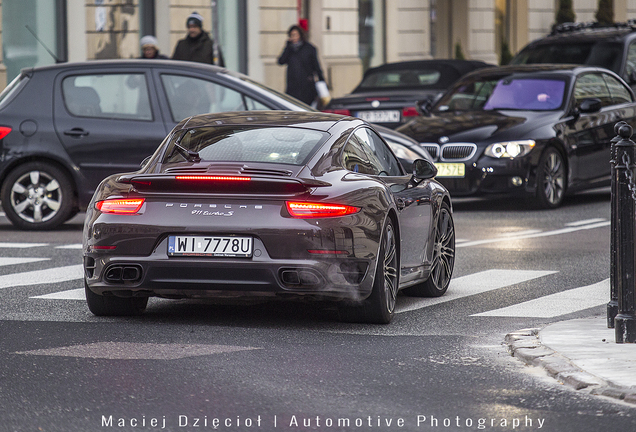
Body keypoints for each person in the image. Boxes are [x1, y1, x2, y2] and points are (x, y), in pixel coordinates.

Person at [277, 24, 325, 106]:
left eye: (295, 35)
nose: (293, 37)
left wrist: (322, 82)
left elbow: (316, 66)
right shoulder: (290, 49)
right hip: (293, 86)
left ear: (300, 35)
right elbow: (281, 61)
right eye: (291, 35)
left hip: (307, 86)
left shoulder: (309, 49)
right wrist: (287, 47)